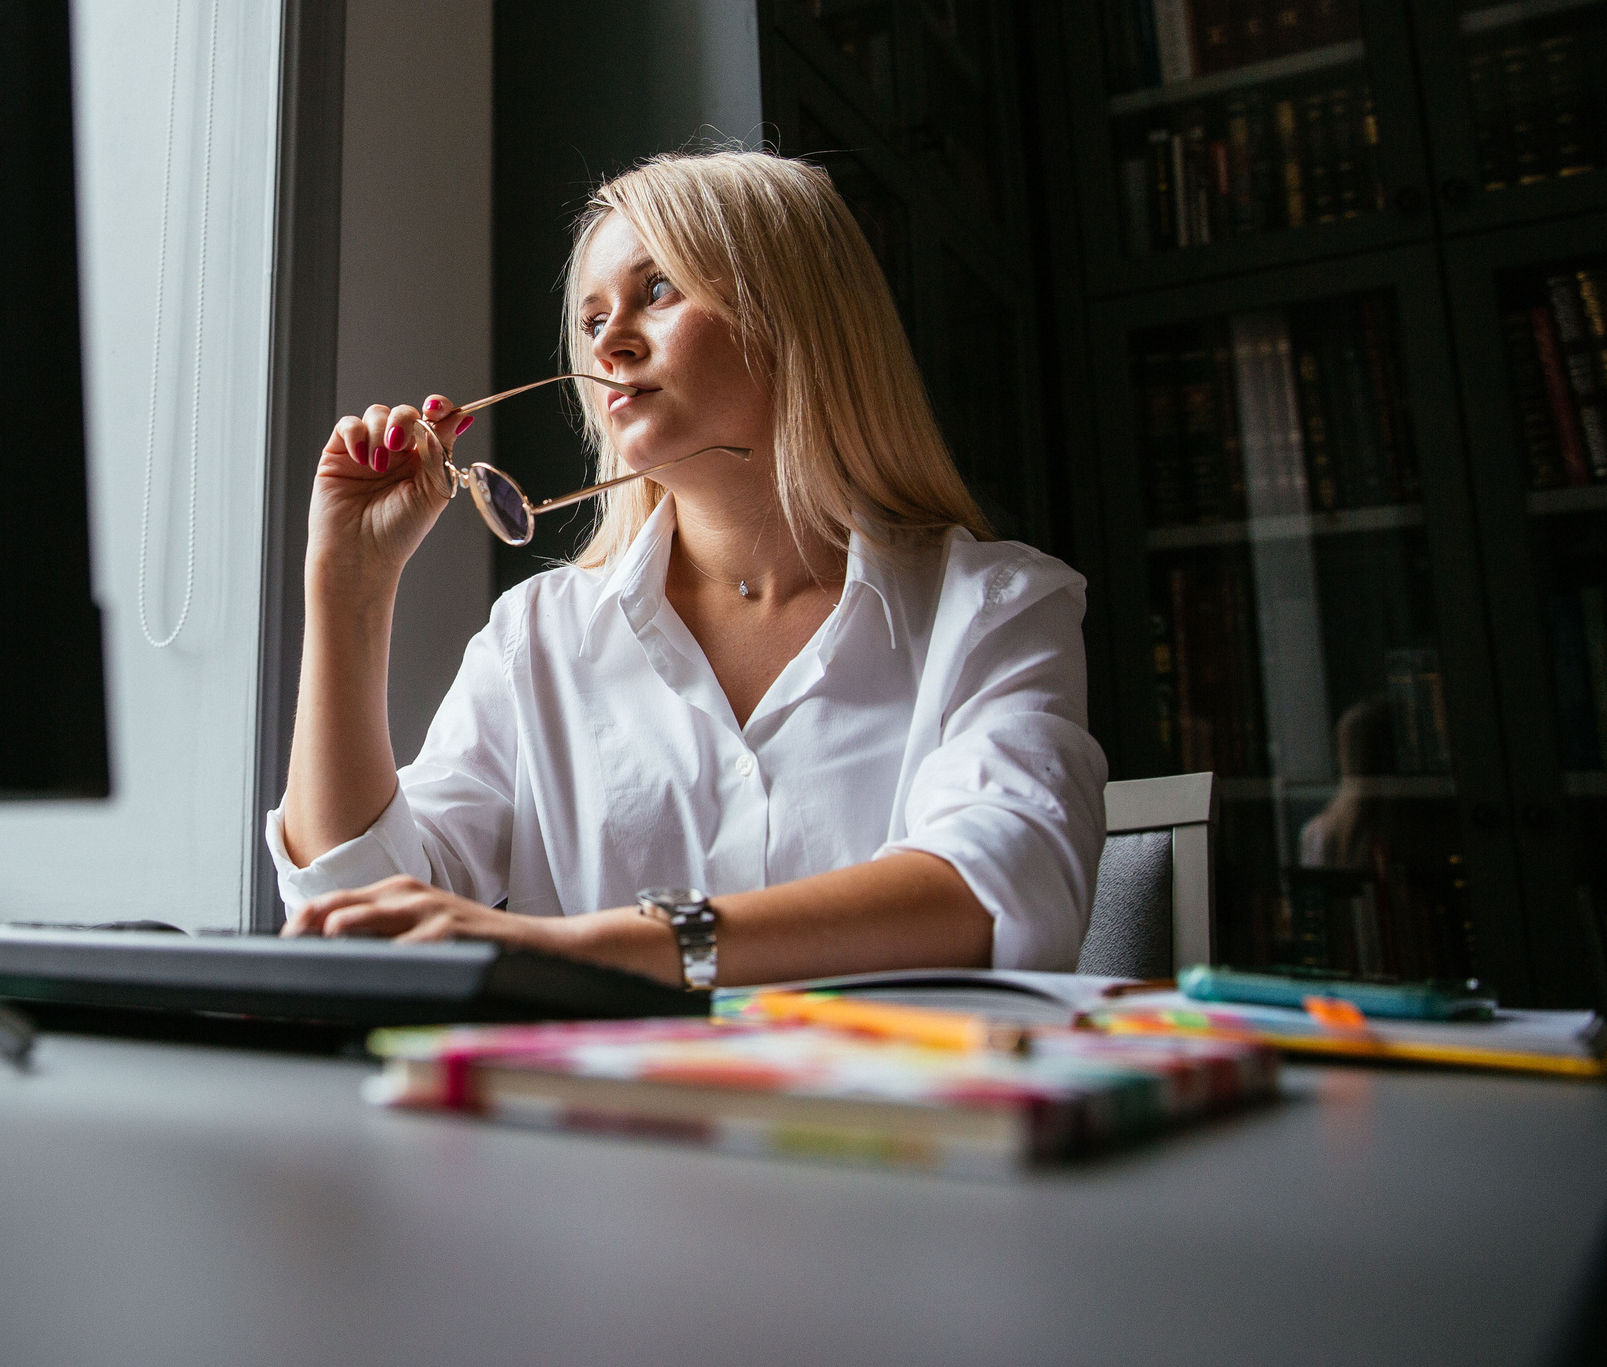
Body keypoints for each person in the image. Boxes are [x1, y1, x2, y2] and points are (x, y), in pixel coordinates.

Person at [269, 149, 1107, 987]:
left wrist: (561, 950)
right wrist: (350, 584)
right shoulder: (537, 638)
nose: (611, 344)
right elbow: (359, 911)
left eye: (657, 290)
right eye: (592, 320)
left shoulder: (995, 610)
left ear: (795, 317)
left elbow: (995, 888)